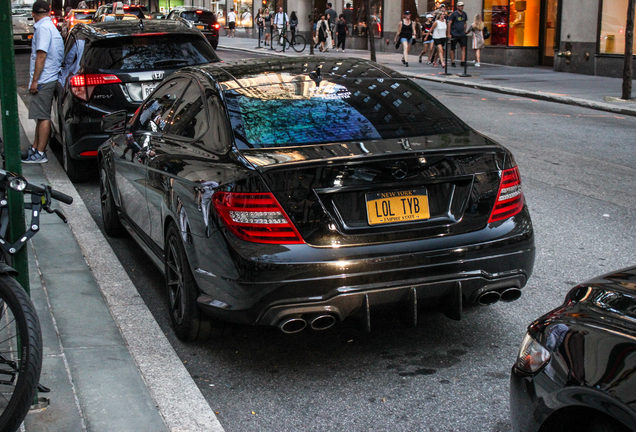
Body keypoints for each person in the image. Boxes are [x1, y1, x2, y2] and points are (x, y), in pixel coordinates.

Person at [24, 0, 64, 164]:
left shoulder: (42, 28)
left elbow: (41, 55)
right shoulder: (50, 27)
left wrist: (35, 81)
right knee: (41, 117)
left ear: (33, 14)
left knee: (43, 116)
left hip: (44, 78)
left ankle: (40, 152)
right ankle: (35, 148)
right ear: (48, 12)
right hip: (50, 76)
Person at [447, 1, 468, 67]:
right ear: (457, 7)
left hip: (462, 34)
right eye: (460, 6)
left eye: (462, 6)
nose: (461, 7)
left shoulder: (464, 14)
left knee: (463, 47)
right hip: (454, 33)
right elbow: (449, 23)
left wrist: (464, 30)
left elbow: (465, 23)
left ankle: (463, 61)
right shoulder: (454, 14)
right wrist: (449, 33)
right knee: (453, 48)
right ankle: (452, 61)